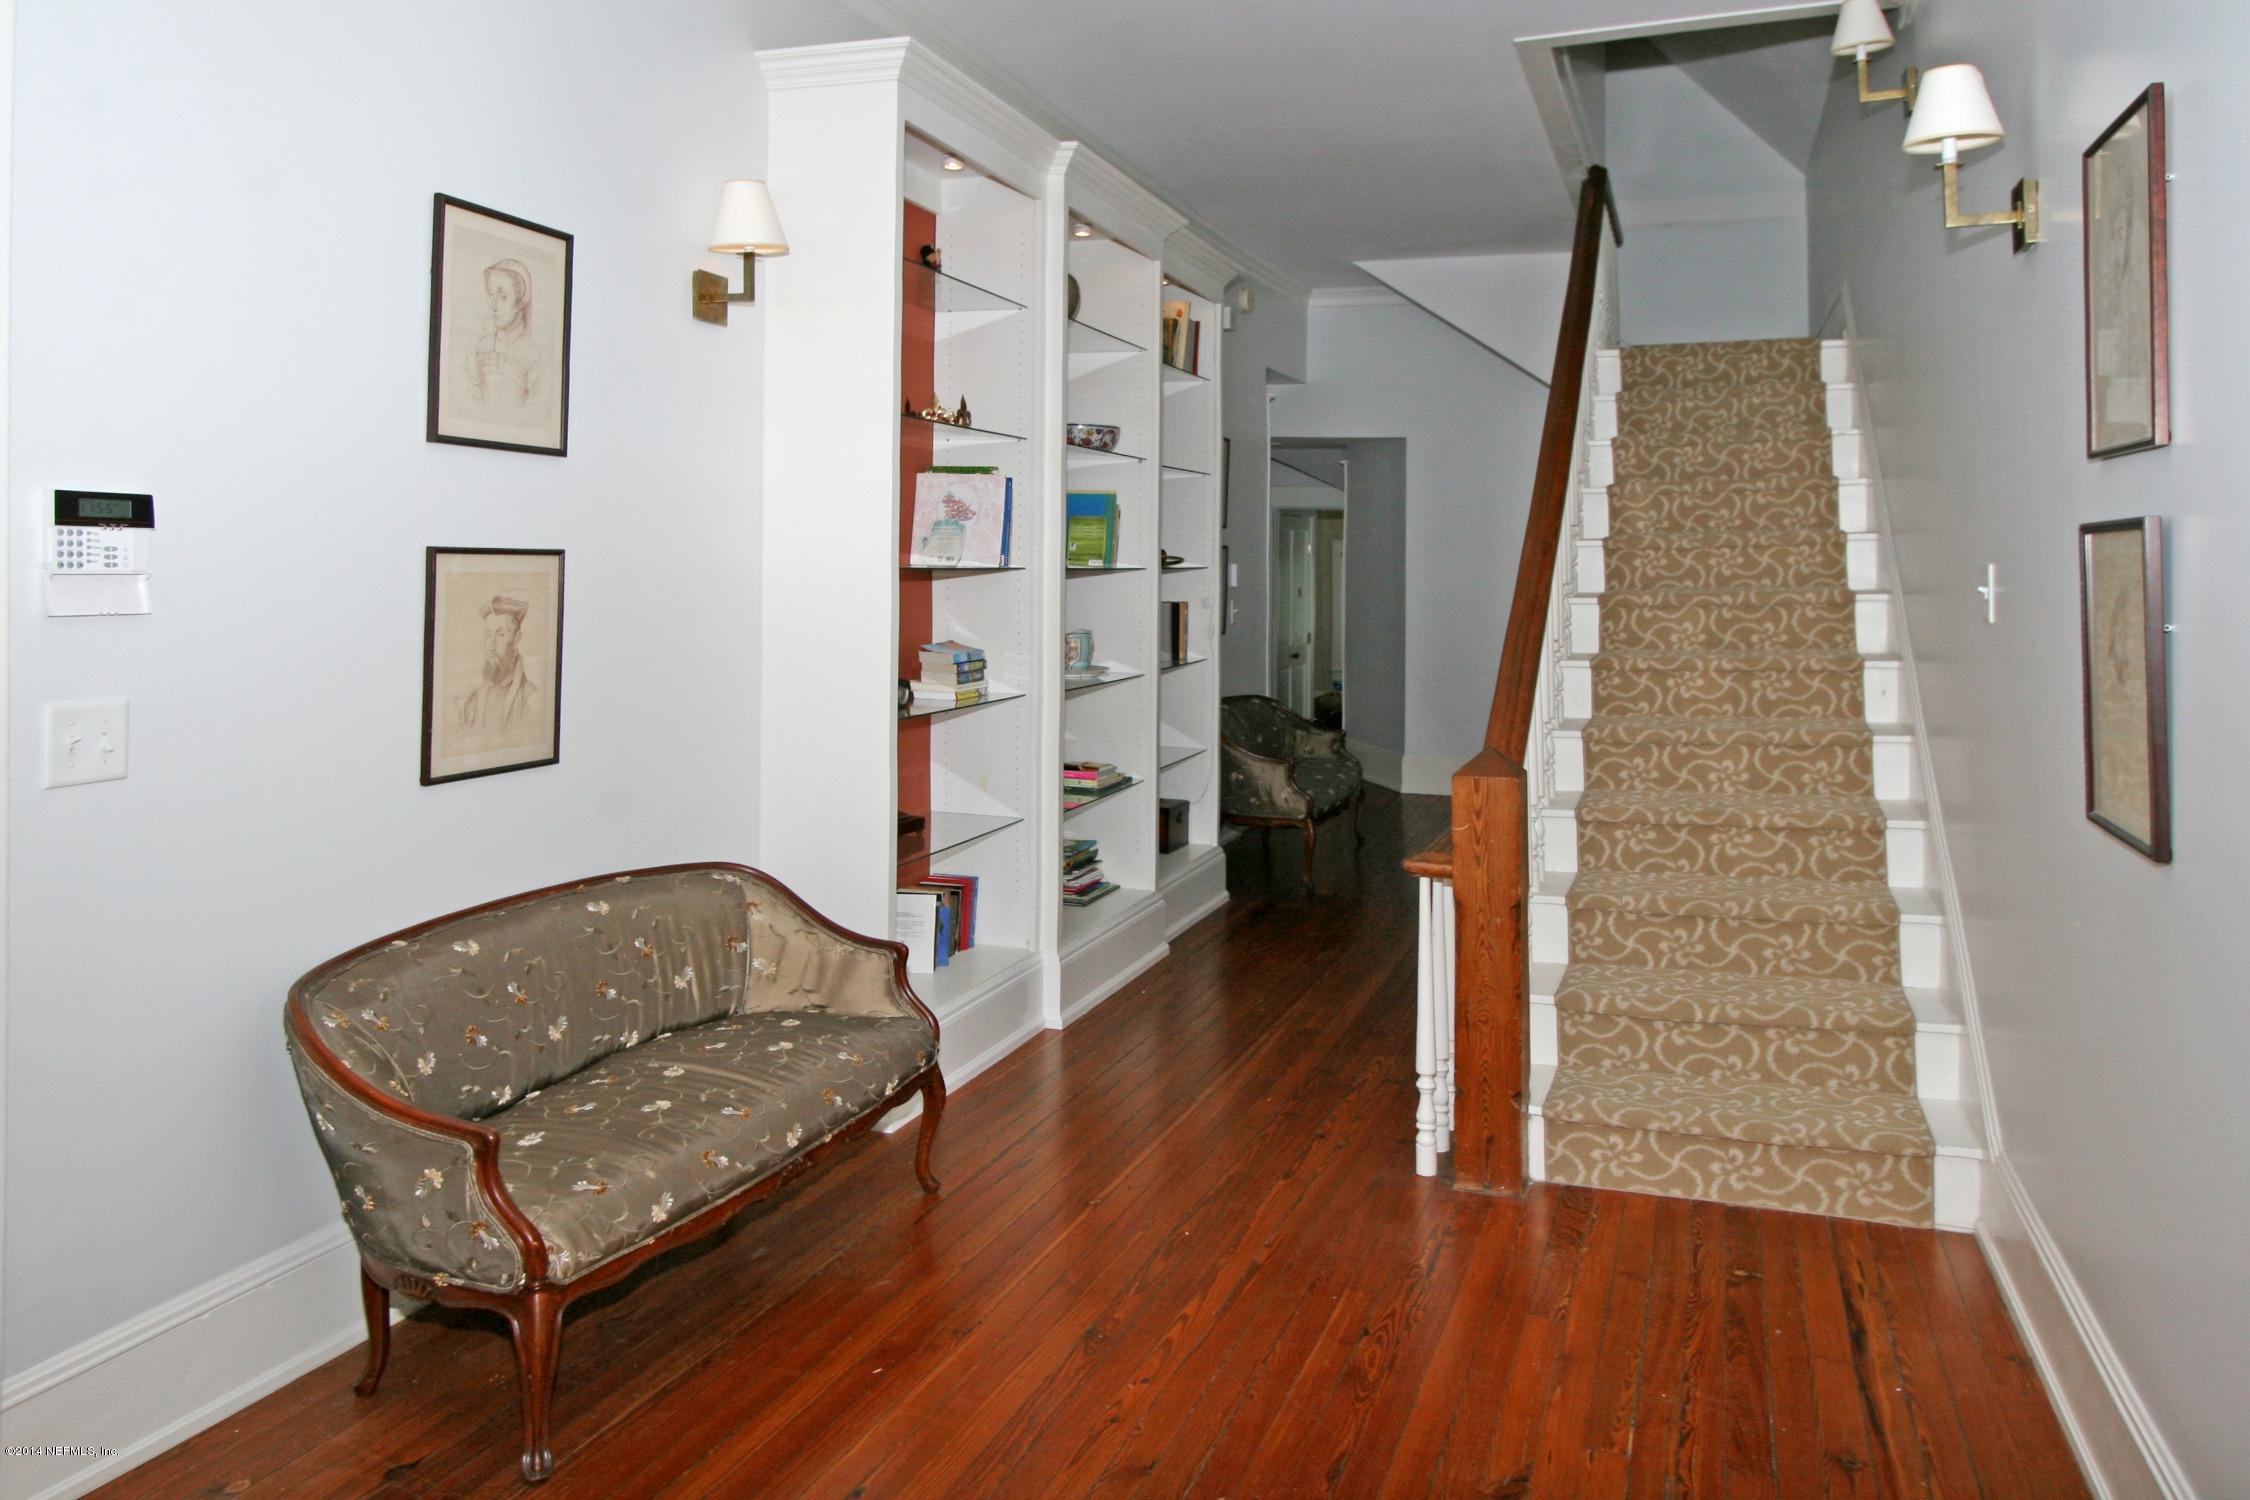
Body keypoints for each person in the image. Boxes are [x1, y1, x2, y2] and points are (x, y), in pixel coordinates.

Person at [453, 595, 543, 744]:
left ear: (517, 639)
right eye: (488, 635)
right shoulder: (470, 701)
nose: (492, 645)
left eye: (500, 634)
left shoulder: (531, 699)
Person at [461, 258, 543, 409]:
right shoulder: (478, 347)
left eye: (503, 297)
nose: (493, 305)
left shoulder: (534, 355)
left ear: (520, 302)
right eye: (490, 294)